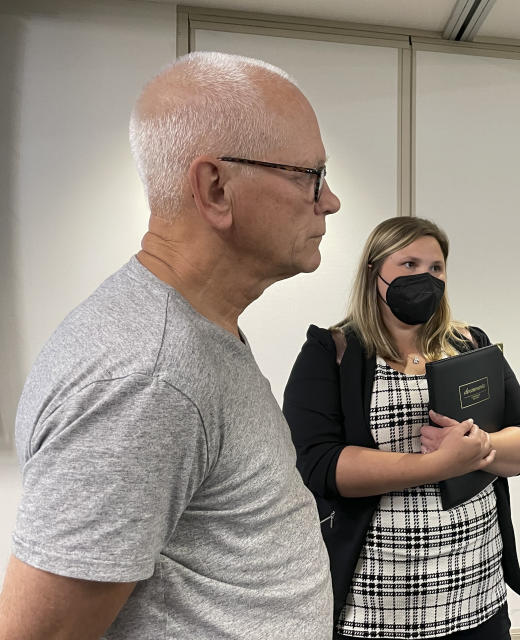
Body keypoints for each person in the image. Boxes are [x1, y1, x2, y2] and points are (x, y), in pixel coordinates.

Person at [0, 52, 341, 639]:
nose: (329, 200)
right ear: (215, 188)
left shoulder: (199, 333)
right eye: (308, 175)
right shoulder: (147, 377)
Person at [283, 216, 520, 640]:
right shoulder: (331, 352)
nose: (426, 277)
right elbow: (319, 465)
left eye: (436, 268)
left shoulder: (470, 344)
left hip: (476, 594)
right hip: (375, 607)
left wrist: (482, 445)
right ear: (374, 272)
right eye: (409, 265)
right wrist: (440, 465)